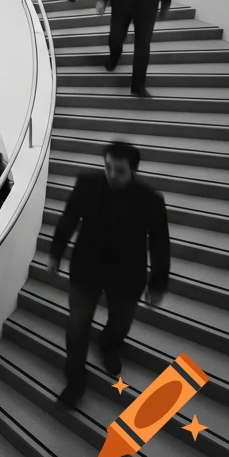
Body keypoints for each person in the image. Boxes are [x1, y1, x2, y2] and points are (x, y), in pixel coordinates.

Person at [49, 141, 170, 407]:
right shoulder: (87, 183)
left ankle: (109, 344)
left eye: (119, 171)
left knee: (121, 322)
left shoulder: (150, 200)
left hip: (127, 275)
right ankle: (75, 379)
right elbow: (69, 216)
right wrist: (56, 252)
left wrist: (158, 282)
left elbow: (160, 241)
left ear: (134, 171)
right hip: (87, 269)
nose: (112, 175)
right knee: (77, 326)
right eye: (108, 167)